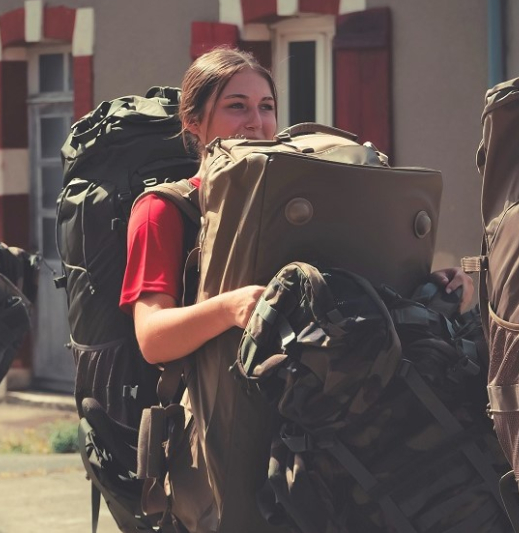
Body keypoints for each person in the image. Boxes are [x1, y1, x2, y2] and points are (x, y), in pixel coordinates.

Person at [120, 47, 473, 532]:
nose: (257, 122)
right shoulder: (164, 210)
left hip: (322, 434)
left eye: (267, 106)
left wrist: (432, 291)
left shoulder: (301, 194)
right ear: (194, 120)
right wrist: (230, 308)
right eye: (237, 105)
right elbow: (152, 337)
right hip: (224, 442)